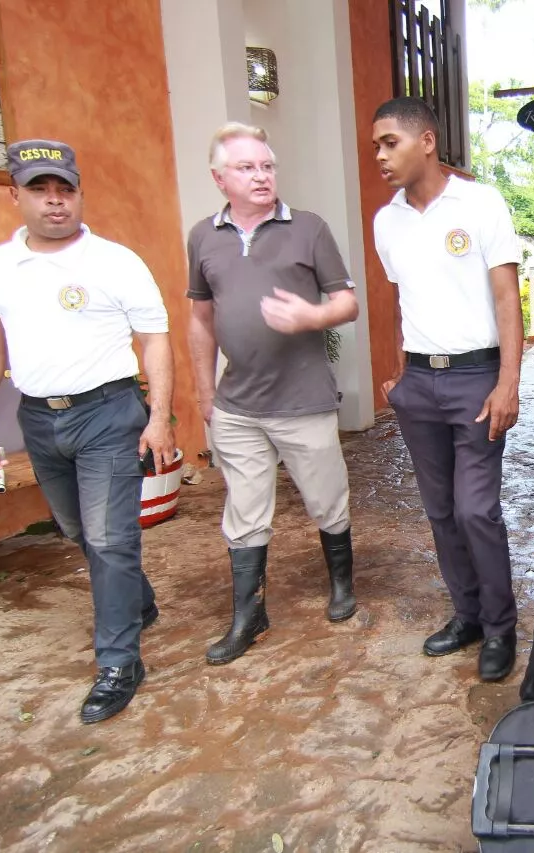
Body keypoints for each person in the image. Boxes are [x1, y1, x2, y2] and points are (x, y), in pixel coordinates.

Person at [0, 139, 176, 725]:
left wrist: (158, 416)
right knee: (79, 528)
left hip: (107, 412)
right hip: (38, 415)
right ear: (15, 195)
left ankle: (119, 663)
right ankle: (138, 602)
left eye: (65, 190)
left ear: (79, 194)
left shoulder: (115, 262)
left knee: (109, 539)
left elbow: (155, 339)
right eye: (40, 190)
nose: (55, 202)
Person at [187, 122, 360, 666]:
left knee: (326, 500)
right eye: (247, 167)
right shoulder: (203, 237)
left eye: (267, 165)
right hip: (237, 404)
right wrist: (203, 394)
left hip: (302, 399)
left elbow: (347, 302)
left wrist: (313, 315)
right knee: (244, 510)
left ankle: (342, 584)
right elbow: (199, 319)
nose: (261, 176)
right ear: (220, 178)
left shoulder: (308, 228)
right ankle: (248, 614)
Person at [370, 97, 523, 682]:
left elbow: (507, 297)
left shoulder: (480, 203)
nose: (381, 156)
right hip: (420, 384)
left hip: (476, 379)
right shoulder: (388, 220)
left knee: (476, 509)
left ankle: (502, 626)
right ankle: (468, 616)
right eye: (376, 147)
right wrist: (397, 371)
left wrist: (508, 380)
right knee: (439, 511)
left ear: (426, 141)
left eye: (391, 143)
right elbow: (397, 299)